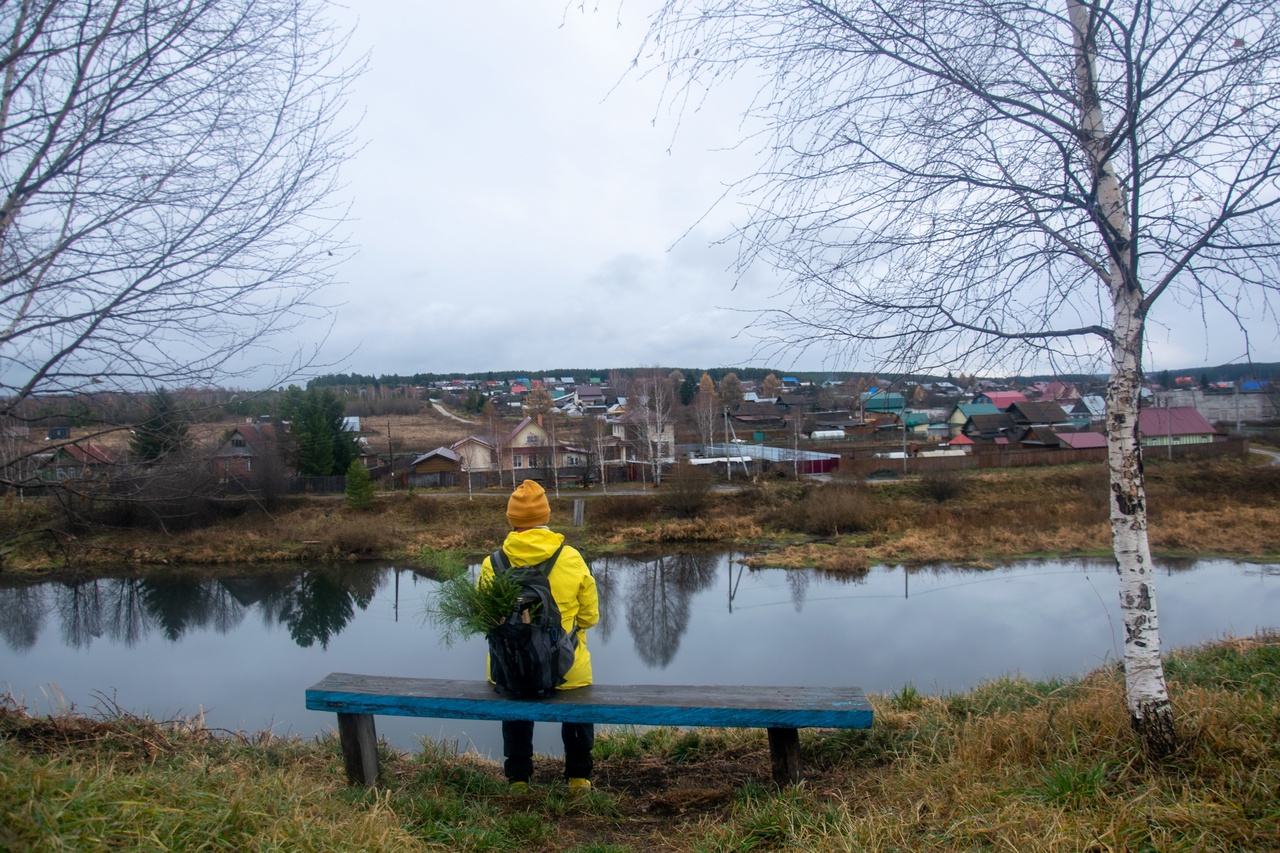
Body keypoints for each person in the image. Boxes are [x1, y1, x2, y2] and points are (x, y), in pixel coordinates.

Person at [479, 479, 599, 791]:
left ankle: (518, 781)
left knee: (514, 692)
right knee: (576, 700)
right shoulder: (570, 557)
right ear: (545, 516)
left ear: (511, 520)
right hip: (567, 669)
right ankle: (578, 779)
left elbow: (484, 621)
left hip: (509, 670)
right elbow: (590, 616)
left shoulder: (493, 564)